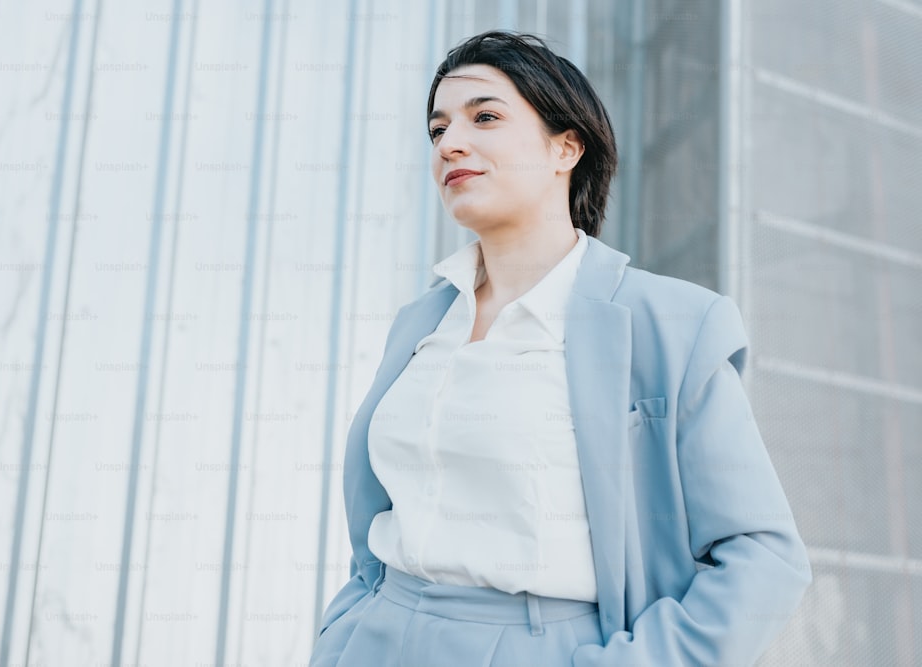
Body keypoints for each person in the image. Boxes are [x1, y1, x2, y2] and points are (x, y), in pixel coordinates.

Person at [310, 30, 811, 666]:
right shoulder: (420, 324)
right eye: (437, 130)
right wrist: (344, 630)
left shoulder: (673, 323)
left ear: (566, 146)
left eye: (484, 117)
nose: (449, 144)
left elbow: (764, 556)